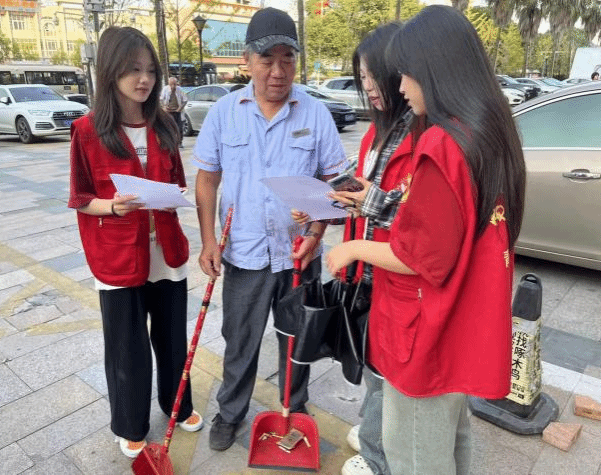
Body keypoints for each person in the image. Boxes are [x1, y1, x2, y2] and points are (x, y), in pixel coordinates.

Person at [326, 6, 526, 475]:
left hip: (425, 328)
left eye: (407, 73)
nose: (399, 86)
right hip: (460, 322)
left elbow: (420, 256)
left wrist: (350, 249)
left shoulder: (441, 144)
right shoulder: (488, 131)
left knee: (414, 454)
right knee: (450, 443)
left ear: (435, 70)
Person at [192, 7, 348, 452]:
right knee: (239, 340)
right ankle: (230, 412)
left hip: (300, 253)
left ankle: (294, 408)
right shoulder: (225, 113)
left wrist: (316, 233)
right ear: (247, 60)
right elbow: (207, 179)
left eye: (287, 59)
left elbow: (335, 185)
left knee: (297, 338)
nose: (278, 71)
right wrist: (208, 241)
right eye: (267, 60)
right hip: (244, 253)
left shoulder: (315, 113)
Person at [68, 26, 203, 459]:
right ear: (110, 71)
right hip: (118, 254)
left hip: (165, 249)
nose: (144, 79)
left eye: (149, 70)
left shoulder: (164, 124)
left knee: (172, 336)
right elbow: (80, 198)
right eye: (132, 70)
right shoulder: (88, 130)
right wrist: (113, 207)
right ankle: (130, 423)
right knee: (127, 346)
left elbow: (177, 180)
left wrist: (172, 195)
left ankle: (178, 405)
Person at [292, 22, 410, 475]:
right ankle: (374, 431)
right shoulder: (376, 132)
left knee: (385, 371)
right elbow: (363, 198)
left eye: (374, 76)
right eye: (362, 77)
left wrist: (363, 217)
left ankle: (378, 458)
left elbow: (412, 217)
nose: (369, 87)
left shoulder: (420, 134)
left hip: (394, 270)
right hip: (365, 271)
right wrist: (322, 208)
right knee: (369, 358)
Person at [160, 76, 188, 148]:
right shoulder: (165, 89)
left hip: (177, 111)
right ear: (169, 84)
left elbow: (185, 100)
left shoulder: (180, 89)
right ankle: (169, 142)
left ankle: (179, 142)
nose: (173, 86)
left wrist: (180, 108)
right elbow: (161, 99)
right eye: (171, 84)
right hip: (168, 111)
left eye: (174, 84)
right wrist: (164, 107)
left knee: (179, 128)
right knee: (169, 128)